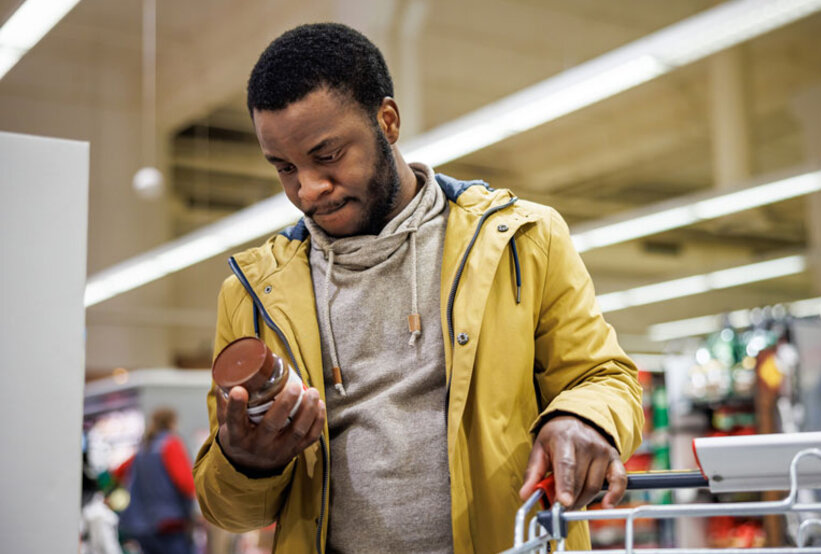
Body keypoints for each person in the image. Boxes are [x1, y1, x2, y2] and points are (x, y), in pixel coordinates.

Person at [193, 23, 643, 553]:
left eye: (328, 155)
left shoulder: (522, 240)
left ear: (387, 121)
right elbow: (231, 509)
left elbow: (606, 377)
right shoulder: (252, 293)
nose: (308, 189)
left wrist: (581, 418)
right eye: (285, 168)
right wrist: (246, 460)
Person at [117, 408, 196, 554]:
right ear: (172, 423)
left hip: (143, 526)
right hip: (169, 524)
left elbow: (118, 471)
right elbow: (186, 483)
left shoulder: (144, 448)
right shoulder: (171, 444)